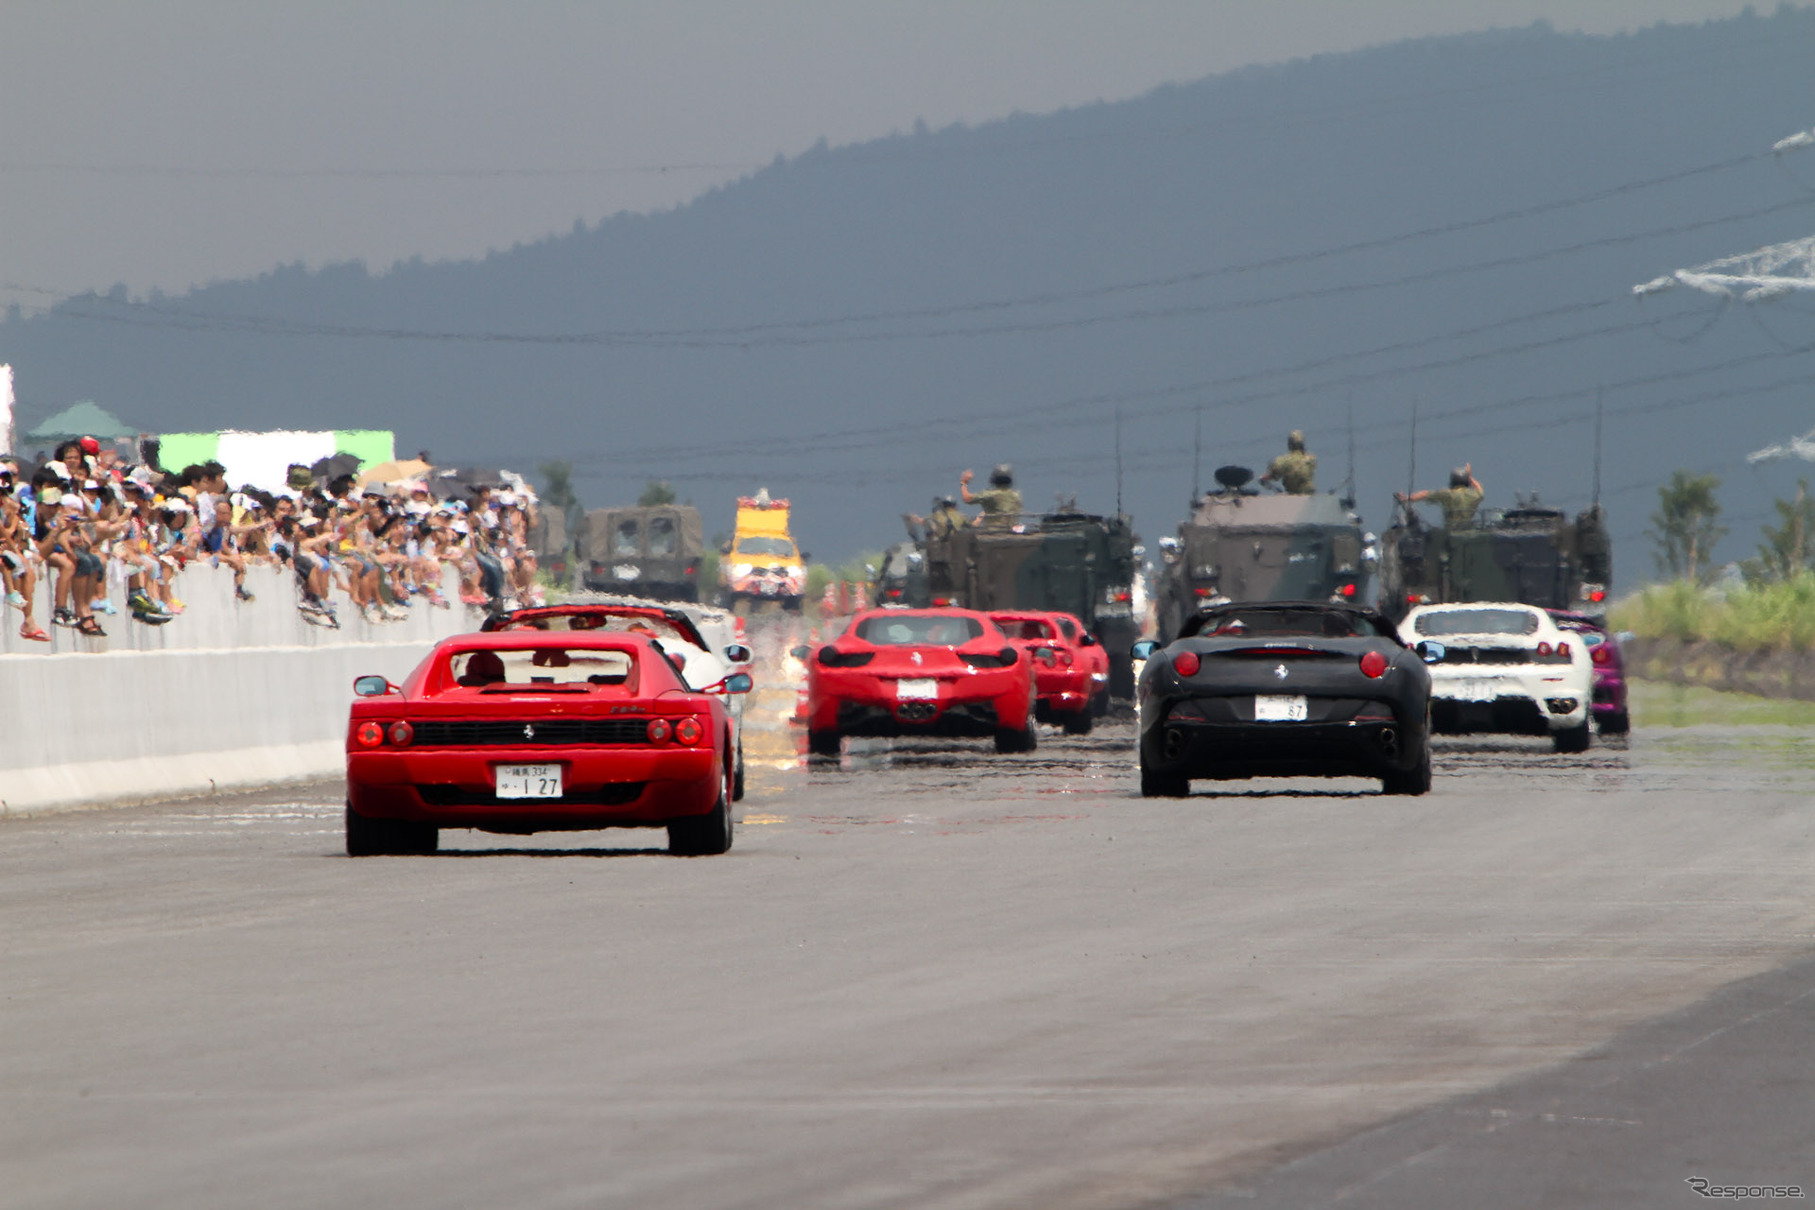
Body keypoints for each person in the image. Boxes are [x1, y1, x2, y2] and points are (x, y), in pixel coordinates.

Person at [1398, 463, 1485, 529]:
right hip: (1467, 529)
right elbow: (1479, 489)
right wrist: (1469, 476)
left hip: (1450, 530)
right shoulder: (1474, 495)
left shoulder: (1447, 494)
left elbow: (1424, 494)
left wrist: (1406, 499)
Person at [960, 464, 1021, 530]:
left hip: (993, 530)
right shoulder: (1016, 495)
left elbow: (967, 498)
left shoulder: (990, 495)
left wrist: (964, 483)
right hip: (1011, 529)